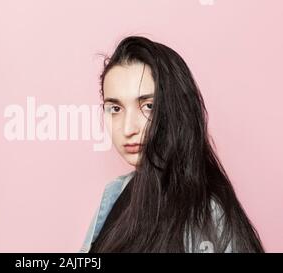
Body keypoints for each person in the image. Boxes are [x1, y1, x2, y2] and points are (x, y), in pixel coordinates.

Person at [80, 36, 264, 253]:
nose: (128, 128)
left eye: (148, 106)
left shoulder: (207, 214)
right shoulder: (114, 194)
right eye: (116, 108)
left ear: (177, 110)